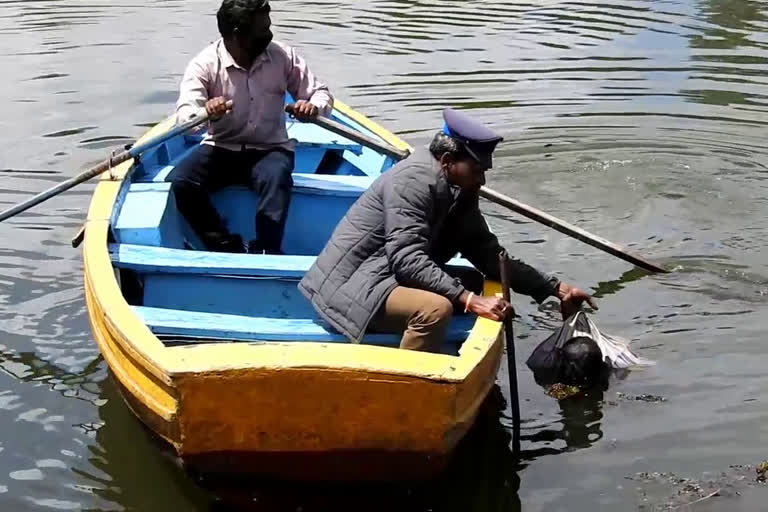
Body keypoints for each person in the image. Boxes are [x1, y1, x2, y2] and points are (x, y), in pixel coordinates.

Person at [299, 107, 596, 352]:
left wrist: (555, 289)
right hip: (355, 284)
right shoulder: (413, 182)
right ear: (447, 161)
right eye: (477, 170)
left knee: (478, 280)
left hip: (385, 273)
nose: (482, 180)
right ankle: (408, 390)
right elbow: (406, 258)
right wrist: (469, 300)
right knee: (434, 310)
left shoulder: (459, 189)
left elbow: (487, 253)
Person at [171, 0, 333, 253]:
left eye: (268, 27)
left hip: (269, 148)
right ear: (237, 35)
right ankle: (225, 245)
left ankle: (267, 251)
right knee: (180, 182)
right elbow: (185, 120)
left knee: (277, 177)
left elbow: (320, 93)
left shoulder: (282, 56)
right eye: (262, 30)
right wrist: (207, 113)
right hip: (221, 148)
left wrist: (313, 107)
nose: (269, 35)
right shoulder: (204, 65)